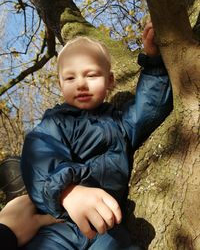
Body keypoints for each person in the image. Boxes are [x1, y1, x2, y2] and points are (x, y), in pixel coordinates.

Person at [20, 22, 173, 250]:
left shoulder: (120, 122)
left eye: (91, 75)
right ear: (61, 85)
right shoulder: (56, 121)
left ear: (110, 81)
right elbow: (39, 155)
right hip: (59, 222)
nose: (81, 83)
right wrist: (67, 192)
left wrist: (154, 60)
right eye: (70, 78)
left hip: (106, 225)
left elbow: (148, 109)